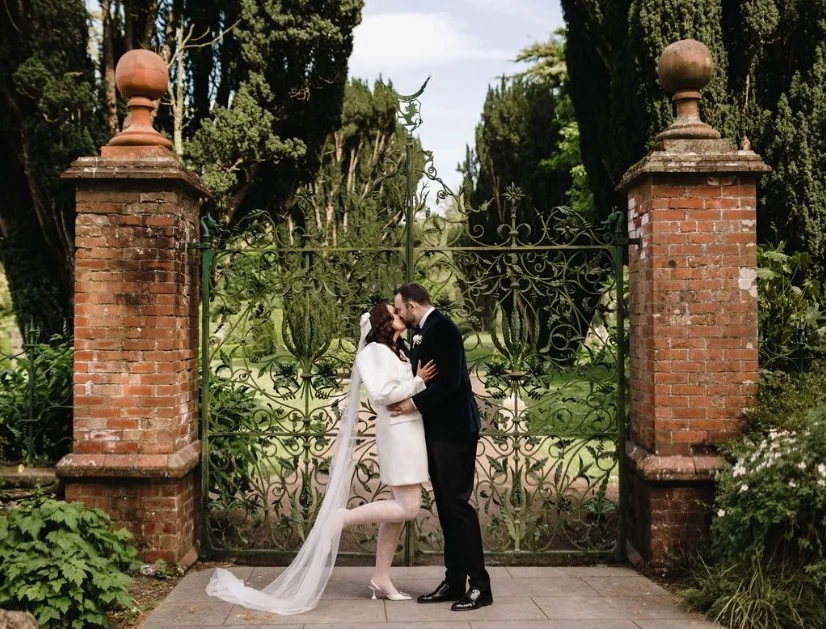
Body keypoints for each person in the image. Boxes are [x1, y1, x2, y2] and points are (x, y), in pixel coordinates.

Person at [205, 301, 436, 614]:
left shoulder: (400, 351)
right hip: (397, 436)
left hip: (410, 433)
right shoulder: (373, 352)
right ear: (382, 323)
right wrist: (418, 382)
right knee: (409, 508)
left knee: (397, 512)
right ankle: (340, 518)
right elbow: (380, 395)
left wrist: (415, 382)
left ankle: (381, 578)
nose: (400, 314)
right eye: (394, 313)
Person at [389, 282, 493, 611]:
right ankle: (454, 580)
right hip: (439, 433)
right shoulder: (424, 330)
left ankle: (480, 586)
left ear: (412, 306)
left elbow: (451, 383)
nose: (399, 314)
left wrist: (413, 404)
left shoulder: (443, 328)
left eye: (400, 308)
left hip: (455, 432)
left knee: (457, 506)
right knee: (447, 508)